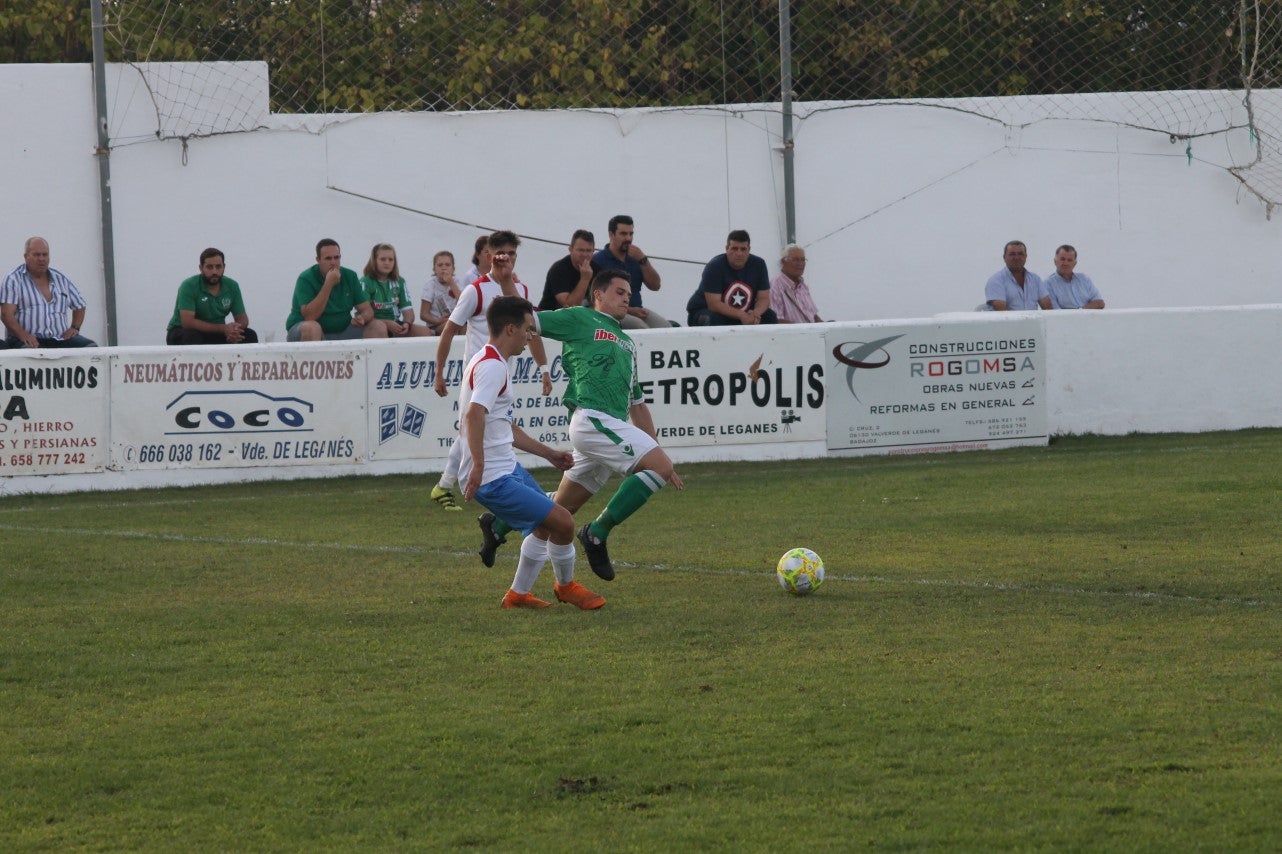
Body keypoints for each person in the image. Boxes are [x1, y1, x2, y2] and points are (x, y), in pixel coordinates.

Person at [482, 269, 684, 582]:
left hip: (609, 428)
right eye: (619, 291)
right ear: (598, 294)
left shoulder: (628, 343)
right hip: (592, 419)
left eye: (629, 294)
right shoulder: (580, 318)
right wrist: (507, 284)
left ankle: (499, 526)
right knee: (658, 467)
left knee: (558, 514)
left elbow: (637, 404)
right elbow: (528, 319)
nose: (626, 297)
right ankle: (597, 533)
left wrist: (656, 450)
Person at [461, 295, 605, 610]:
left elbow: (503, 427)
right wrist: (477, 467)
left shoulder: (493, 361)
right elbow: (473, 415)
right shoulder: (491, 366)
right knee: (564, 522)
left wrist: (548, 454)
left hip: (505, 468)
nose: (531, 336)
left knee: (546, 524)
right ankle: (565, 587)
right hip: (493, 477)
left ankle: (518, 595)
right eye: (528, 329)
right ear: (511, 329)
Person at [431, 230, 553, 511]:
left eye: (512, 254)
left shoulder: (519, 290)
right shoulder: (475, 290)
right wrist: (440, 371)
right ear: (488, 255)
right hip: (479, 373)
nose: (507, 259)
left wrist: (543, 368)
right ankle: (451, 483)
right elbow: (449, 330)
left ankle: (456, 485)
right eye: (502, 253)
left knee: (491, 429)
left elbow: (531, 331)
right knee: (472, 426)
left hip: (502, 371)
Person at [2, 237, 97, 349]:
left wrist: (75, 328)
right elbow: (6, 315)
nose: (41, 259)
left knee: (91, 348)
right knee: (28, 354)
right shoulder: (13, 279)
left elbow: (80, 306)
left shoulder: (61, 279)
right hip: (26, 340)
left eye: (45, 254)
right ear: (26, 257)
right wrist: (23, 335)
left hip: (59, 339)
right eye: (36, 255)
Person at [286, 239, 387, 341]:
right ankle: (313, 358)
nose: (333, 262)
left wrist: (363, 317)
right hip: (306, 331)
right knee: (311, 327)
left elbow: (367, 310)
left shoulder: (350, 276)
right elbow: (309, 316)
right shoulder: (306, 278)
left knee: (378, 326)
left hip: (343, 332)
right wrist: (328, 284)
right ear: (318, 260)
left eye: (336, 257)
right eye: (328, 258)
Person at [591, 214, 670, 329]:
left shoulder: (636, 258)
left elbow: (655, 285)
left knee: (666, 327)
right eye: (623, 234)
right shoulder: (598, 260)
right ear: (611, 235)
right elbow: (595, 298)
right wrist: (630, 310)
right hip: (612, 313)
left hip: (638, 310)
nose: (628, 238)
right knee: (642, 329)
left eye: (631, 234)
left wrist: (643, 260)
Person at [165, 247, 258, 345]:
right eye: (209, 267)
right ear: (201, 268)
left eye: (218, 267)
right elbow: (187, 322)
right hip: (183, 331)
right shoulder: (189, 286)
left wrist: (234, 331)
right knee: (193, 336)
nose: (214, 272)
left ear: (224, 267)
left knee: (249, 335)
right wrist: (224, 328)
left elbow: (242, 319)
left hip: (215, 332)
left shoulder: (232, 286)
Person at [687, 229, 778, 326]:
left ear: (749, 250)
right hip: (706, 310)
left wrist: (756, 313)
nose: (739, 253)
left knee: (770, 317)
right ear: (727, 248)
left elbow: (763, 298)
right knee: (713, 320)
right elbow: (713, 304)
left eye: (743, 249)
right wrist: (741, 315)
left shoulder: (759, 265)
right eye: (734, 248)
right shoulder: (714, 266)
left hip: (744, 312)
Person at [360, 243, 431, 338]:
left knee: (425, 332)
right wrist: (386, 323)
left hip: (395, 324)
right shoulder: (365, 282)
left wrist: (407, 324)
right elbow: (364, 315)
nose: (387, 263)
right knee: (380, 327)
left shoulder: (400, 282)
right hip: (372, 325)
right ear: (374, 261)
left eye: (390, 259)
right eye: (382, 259)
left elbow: (408, 312)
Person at [538, 229, 597, 311]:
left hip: (582, 317)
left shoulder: (597, 269)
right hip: (552, 316)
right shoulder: (559, 269)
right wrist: (585, 279)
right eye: (580, 250)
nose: (585, 255)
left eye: (589, 251)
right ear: (570, 249)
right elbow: (569, 306)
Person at [985, 240, 1051, 311]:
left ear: (1026, 257)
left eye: (1020, 254)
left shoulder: (1035, 279)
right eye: (1012, 254)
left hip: (1033, 321)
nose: (1016, 257)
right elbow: (1002, 313)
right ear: (1004, 257)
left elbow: (1048, 308)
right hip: (1008, 322)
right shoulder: (996, 281)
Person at [770, 243, 823, 323]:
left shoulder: (803, 286)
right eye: (795, 259)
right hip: (792, 335)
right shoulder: (775, 286)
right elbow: (776, 321)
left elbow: (813, 316)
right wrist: (802, 329)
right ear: (783, 262)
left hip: (811, 334)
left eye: (803, 259)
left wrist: (827, 327)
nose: (800, 263)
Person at [1045, 244, 1105, 309]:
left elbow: (1100, 303)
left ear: (1075, 263)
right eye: (1062, 259)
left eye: (1069, 260)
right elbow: (1055, 313)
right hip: (1065, 319)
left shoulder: (1084, 279)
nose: (1066, 263)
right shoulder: (1048, 284)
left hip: (1089, 319)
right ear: (1055, 261)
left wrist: (1081, 311)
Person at [420, 250, 461, 335]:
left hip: (456, 322)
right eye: (440, 265)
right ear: (434, 269)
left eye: (447, 265)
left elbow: (464, 304)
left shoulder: (458, 283)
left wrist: (451, 283)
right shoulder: (430, 285)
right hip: (436, 325)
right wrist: (438, 321)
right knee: (452, 326)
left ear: (453, 269)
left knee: (466, 326)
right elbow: (423, 314)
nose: (444, 268)